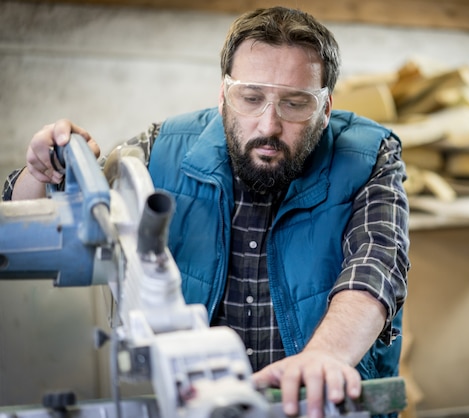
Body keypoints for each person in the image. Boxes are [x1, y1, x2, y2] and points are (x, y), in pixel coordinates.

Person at [3, 6, 410, 418]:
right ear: (223, 96)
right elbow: (40, 223)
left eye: (294, 104)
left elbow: (376, 265)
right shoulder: (160, 149)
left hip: (314, 405)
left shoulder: (370, 156)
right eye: (251, 98)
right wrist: (41, 171)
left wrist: (324, 358)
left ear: (325, 109)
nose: (268, 125)